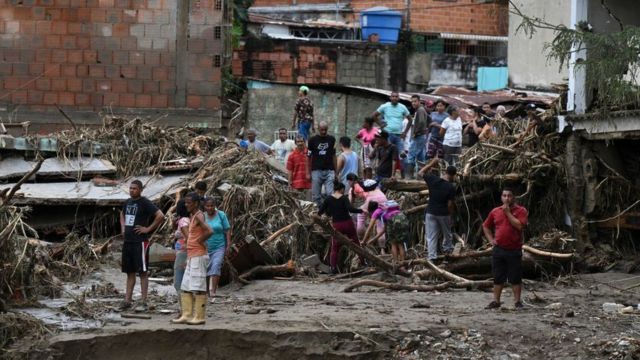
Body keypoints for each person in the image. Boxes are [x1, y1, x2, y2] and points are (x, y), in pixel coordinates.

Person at [119, 179, 165, 311]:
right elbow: (122, 214)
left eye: (134, 188)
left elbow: (160, 215)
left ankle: (144, 300)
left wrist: (148, 229)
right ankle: (127, 300)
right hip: (128, 241)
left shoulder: (144, 202)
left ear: (140, 190)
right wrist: (123, 227)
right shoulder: (127, 202)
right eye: (130, 188)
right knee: (129, 272)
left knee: (143, 271)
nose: (132, 190)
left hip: (140, 242)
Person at [482, 188, 528, 310]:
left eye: (509, 196)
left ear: (514, 197)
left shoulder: (521, 210)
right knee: (498, 277)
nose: (507, 198)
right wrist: (491, 240)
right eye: (504, 195)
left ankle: (517, 302)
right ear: (501, 197)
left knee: (515, 277)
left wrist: (508, 213)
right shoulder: (495, 211)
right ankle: (496, 301)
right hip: (499, 249)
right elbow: (486, 226)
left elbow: (519, 226)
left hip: (514, 249)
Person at [172, 193, 213, 325]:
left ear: (195, 203)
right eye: (186, 202)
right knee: (186, 286)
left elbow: (209, 231)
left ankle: (199, 316)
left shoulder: (199, 215)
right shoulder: (193, 216)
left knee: (199, 286)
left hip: (198, 255)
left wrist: (200, 241)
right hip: (192, 255)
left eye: (189, 202)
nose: (186, 205)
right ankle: (187, 314)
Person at [318, 180, 363, 273]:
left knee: (335, 247)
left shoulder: (328, 199)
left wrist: (316, 216)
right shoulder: (344, 198)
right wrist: (361, 210)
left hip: (337, 225)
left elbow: (321, 211)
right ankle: (363, 261)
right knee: (356, 243)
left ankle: (333, 268)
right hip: (348, 223)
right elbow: (350, 209)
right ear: (342, 189)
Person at [417, 159, 456, 261]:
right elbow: (450, 204)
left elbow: (420, 172)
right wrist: (450, 216)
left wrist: (431, 164)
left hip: (430, 212)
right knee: (447, 234)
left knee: (431, 237)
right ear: (452, 175)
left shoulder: (433, 180)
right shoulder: (450, 187)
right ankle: (448, 252)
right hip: (443, 213)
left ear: (445, 172)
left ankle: (432, 257)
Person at [372, 91, 411, 172]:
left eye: (396, 96)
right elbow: (374, 115)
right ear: (390, 98)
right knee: (387, 154)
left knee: (402, 155)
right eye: (393, 96)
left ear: (399, 98)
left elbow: (410, 119)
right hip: (387, 135)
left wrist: (405, 132)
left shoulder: (402, 107)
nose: (394, 98)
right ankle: (384, 172)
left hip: (398, 135)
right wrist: (380, 124)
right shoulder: (385, 106)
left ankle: (404, 176)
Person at [203, 197, 231, 303]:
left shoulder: (221, 215)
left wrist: (228, 244)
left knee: (216, 266)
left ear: (215, 205)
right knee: (205, 269)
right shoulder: (202, 216)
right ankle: (205, 292)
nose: (210, 208)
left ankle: (213, 291)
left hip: (219, 246)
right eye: (207, 206)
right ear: (204, 206)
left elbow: (227, 230)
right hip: (205, 247)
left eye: (211, 205)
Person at [368, 200, 409, 268]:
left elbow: (369, 228)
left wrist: (364, 241)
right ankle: (403, 265)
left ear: (371, 210)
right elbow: (384, 230)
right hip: (402, 217)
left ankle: (396, 264)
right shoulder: (385, 209)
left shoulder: (376, 212)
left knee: (393, 243)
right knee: (400, 244)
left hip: (393, 220)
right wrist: (373, 240)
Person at [307, 121, 337, 207]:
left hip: (329, 170)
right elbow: (308, 157)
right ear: (318, 129)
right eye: (322, 130)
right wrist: (308, 173)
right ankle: (318, 213)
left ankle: (329, 213)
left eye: (325, 130)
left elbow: (334, 156)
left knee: (330, 194)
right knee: (316, 196)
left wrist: (336, 172)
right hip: (316, 170)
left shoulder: (332, 139)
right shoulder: (312, 140)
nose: (323, 132)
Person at [357, 179, 387, 254]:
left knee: (360, 214)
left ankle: (360, 236)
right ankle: (382, 249)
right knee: (381, 225)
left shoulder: (368, 194)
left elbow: (370, 227)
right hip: (384, 203)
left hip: (371, 202)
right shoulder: (379, 190)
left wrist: (364, 241)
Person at [407, 95, 429, 179]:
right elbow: (428, 120)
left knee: (411, 156)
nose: (413, 103)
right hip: (421, 136)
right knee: (420, 157)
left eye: (415, 101)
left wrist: (416, 132)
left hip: (418, 136)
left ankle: (409, 177)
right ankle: (420, 177)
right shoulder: (421, 110)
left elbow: (422, 122)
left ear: (419, 101)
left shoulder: (420, 110)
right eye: (412, 101)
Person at [173, 199, 190, 296]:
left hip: (183, 251)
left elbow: (188, 237)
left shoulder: (183, 221)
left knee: (178, 282)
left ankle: (184, 308)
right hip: (187, 251)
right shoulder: (193, 219)